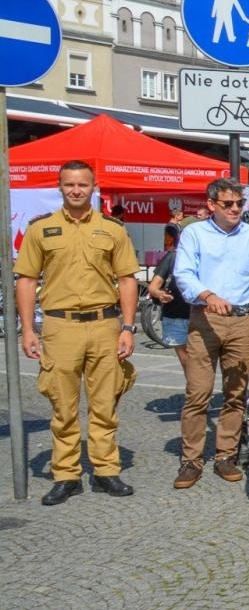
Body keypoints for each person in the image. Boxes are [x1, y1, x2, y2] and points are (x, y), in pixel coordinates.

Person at [14, 160, 140, 505]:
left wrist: (128, 328)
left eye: (82, 184)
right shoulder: (42, 230)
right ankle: (66, 475)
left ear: (93, 187)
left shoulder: (112, 230)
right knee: (63, 406)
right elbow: (25, 280)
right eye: (69, 184)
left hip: (104, 326)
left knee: (105, 404)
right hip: (60, 327)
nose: (76, 190)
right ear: (60, 187)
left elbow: (128, 279)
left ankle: (105, 471)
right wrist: (27, 329)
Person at [173, 177, 249, 489]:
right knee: (198, 392)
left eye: (239, 204)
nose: (235, 209)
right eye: (228, 204)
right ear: (212, 205)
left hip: (242, 319)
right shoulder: (194, 233)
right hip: (205, 317)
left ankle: (225, 455)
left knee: (235, 394)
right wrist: (208, 296)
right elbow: (183, 274)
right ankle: (191, 461)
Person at [146, 220, 193, 366]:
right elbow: (153, 287)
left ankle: (196, 388)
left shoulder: (206, 257)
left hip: (200, 316)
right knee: (187, 364)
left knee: (198, 365)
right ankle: (193, 388)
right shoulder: (172, 257)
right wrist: (160, 294)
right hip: (176, 315)